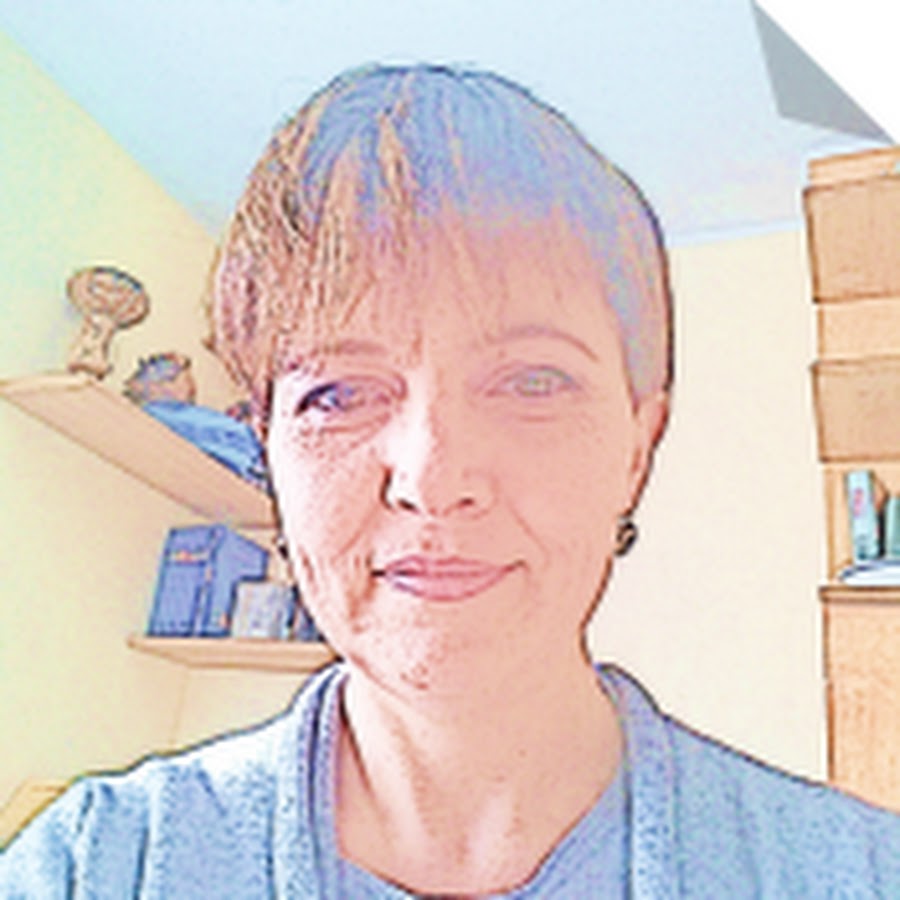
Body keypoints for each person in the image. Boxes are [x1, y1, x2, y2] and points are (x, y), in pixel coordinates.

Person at [2, 63, 899, 898]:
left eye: (533, 381)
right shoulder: (93, 867)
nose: (432, 481)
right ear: (268, 451)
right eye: (338, 393)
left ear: (637, 445)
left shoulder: (854, 874)